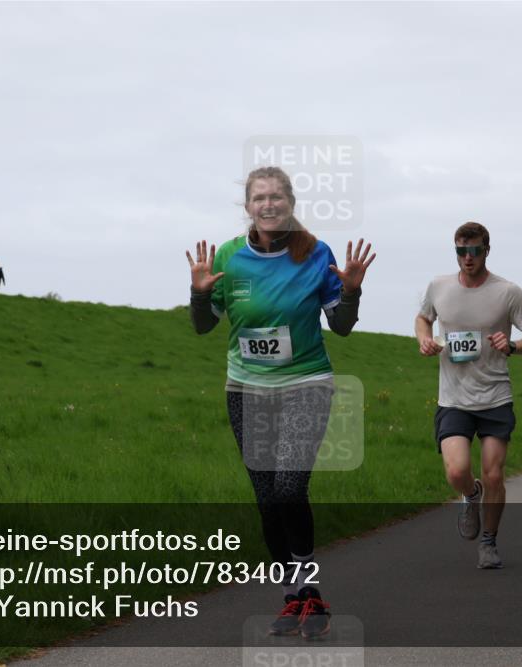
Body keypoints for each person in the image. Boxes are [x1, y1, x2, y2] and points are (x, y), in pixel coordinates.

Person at [187, 166, 374, 639]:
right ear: (247, 206)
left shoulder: (316, 254)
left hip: (305, 383)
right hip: (246, 391)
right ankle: (297, 597)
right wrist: (199, 293)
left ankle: (309, 589)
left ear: (290, 203)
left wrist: (350, 291)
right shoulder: (230, 256)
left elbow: (343, 326)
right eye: (259, 198)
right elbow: (204, 326)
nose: (268, 205)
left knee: (290, 487)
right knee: (268, 499)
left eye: (277, 197)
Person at [415, 221, 522, 569]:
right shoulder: (438, 286)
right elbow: (422, 318)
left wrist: (515, 344)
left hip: (494, 396)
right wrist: (423, 339)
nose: (468, 258)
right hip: (454, 398)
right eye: (461, 251)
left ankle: (488, 542)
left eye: (475, 251)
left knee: (494, 474)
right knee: (457, 471)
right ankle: (469, 496)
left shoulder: (508, 291)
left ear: (487, 250)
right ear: (455, 251)